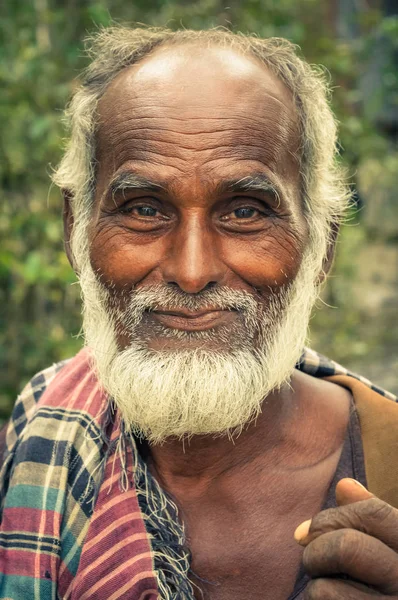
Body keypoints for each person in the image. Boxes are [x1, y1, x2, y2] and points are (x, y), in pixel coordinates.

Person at [0, 26, 397, 600]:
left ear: (321, 249)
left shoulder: (389, 467)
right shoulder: (33, 443)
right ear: (75, 230)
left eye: (245, 211)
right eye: (143, 208)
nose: (191, 271)